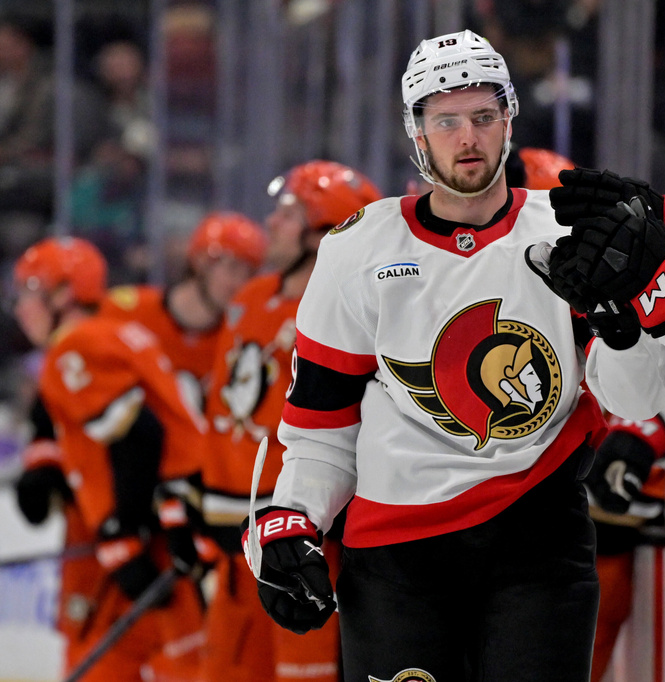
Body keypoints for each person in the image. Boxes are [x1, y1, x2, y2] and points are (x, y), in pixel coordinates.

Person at [242, 30, 606, 682]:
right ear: (417, 131)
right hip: (395, 558)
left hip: (538, 544)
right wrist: (291, 518)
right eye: (446, 121)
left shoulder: (568, 233)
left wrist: (627, 323)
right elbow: (322, 431)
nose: (468, 137)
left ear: (509, 120)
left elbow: (633, 394)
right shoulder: (358, 250)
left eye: (483, 117)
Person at [200, 160, 381, 682]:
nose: (272, 224)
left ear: (325, 229)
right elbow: (222, 411)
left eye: (287, 213)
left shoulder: (347, 310)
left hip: (302, 539)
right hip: (234, 534)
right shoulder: (250, 299)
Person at [12, 236, 207, 681]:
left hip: (151, 540)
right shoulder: (116, 331)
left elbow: (140, 434)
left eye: (29, 292)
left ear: (62, 295)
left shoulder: (76, 345)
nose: (21, 307)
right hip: (175, 524)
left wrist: (122, 534)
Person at [100, 211, 267, 414]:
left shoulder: (239, 342)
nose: (240, 284)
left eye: (249, 274)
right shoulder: (123, 310)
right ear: (200, 261)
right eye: (232, 268)